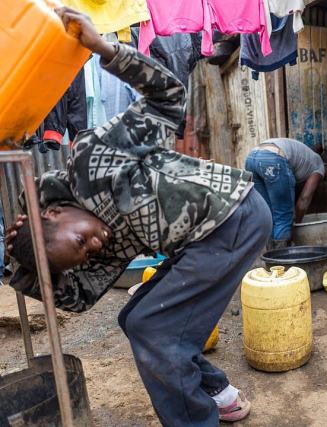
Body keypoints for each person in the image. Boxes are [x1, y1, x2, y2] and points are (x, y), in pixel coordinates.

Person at [5, 8, 270, 426]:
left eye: (81, 242)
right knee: (135, 317)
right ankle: (217, 393)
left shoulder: (94, 162)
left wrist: (104, 49)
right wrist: (23, 269)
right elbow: (78, 299)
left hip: (232, 216)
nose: (96, 246)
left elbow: (169, 96)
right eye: (83, 255)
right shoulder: (96, 250)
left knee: (156, 330)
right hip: (202, 240)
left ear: (55, 211)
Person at [244, 138, 327, 249]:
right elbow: (304, 199)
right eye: (326, 177)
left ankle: (270, 256)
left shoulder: (308, 155)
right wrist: (295, 223)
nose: (322, 179)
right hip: (273, 159)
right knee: (283, 215)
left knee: (267, 213)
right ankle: (281, 258)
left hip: (252, 158)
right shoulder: (319, 165)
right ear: (326, 166)